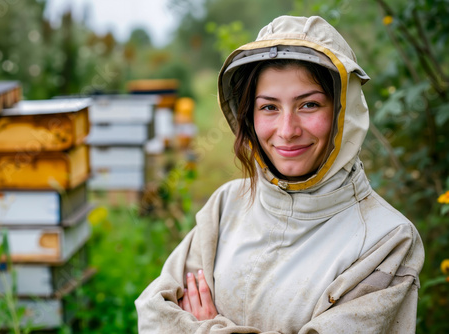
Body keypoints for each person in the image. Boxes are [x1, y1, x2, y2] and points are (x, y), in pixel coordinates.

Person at [135, 15, 424, 333]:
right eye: (269, 107)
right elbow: (154, 314)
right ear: (249, 115)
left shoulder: (387, 240)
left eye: (309, 105)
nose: (287, 131)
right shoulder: (226, 206)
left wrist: (205, 327)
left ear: (344, 111)